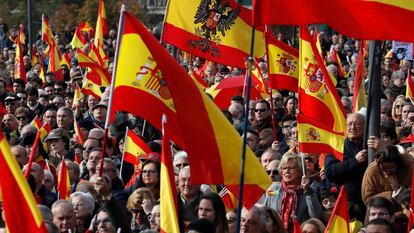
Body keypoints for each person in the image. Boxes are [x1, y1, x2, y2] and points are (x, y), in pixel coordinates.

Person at [262, 152, 322, 231]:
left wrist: (308, 191)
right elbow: (265, 211)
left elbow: (316, 216)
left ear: (300, 170)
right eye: (284, 168)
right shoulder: (275, 189)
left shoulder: (308, 191)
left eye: (291, 168)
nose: (287, 171)